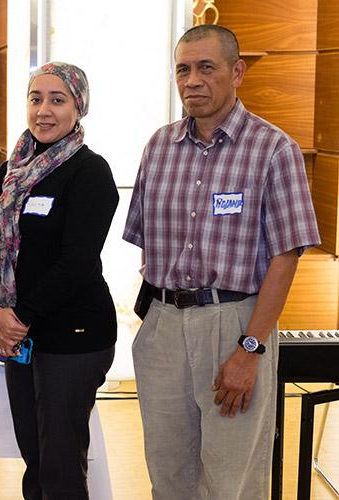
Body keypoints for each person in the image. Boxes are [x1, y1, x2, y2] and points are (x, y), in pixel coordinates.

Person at [123, 25, 320, 499]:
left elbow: (285, 256)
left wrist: (249, 349)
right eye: (183, 70)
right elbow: (147, 244)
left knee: (230, 481)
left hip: (233, 326)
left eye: (205, 68)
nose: (192, 80)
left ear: (237, 72)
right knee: (167, 475)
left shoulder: (274, 149)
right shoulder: (158, 148)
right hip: (164, 327)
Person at [0, 61, 118, 500]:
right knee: (35, 458)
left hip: (72, 338)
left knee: (60, 467)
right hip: (19, 337)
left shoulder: (90, 172)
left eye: (58, 100)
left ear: (79, 107)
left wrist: (17, 317)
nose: (44, 110)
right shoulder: (11, 170)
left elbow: (76, 264)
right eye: (36, 98)